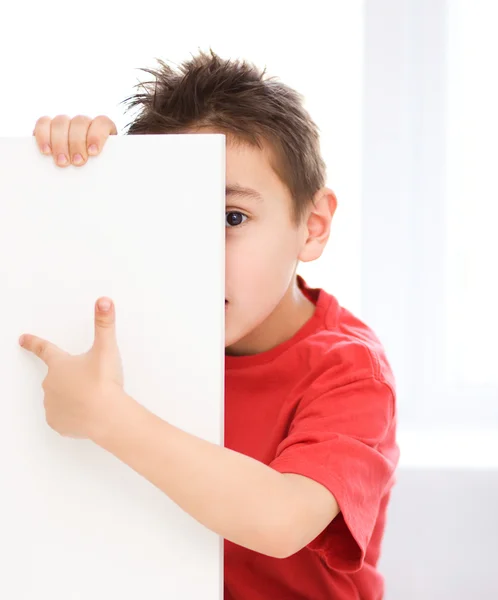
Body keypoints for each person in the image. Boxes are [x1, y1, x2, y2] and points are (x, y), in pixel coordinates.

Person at [24, 49, 399, 599]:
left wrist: (109, 416)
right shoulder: (133, 331)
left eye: (231, 218)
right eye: (169, 219)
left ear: (312, 227)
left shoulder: (349, 372)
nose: (194, 252)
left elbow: (281, 520)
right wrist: (83, 176)